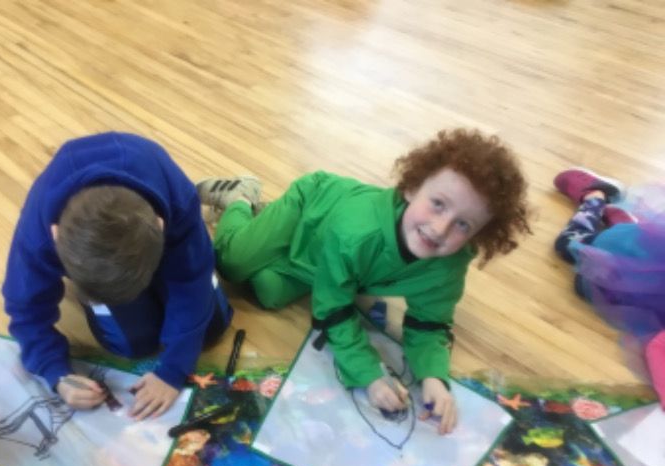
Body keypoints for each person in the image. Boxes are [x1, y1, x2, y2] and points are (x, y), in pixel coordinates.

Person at [203, 129, 530, 434]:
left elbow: (430, 323)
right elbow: (333, 309)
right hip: (311, 208)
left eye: (463, 224)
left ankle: (269, 232)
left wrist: (433, 376)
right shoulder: (357, 232)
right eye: (438, 204)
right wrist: (368, 374)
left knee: (268, 291)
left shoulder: (450, 263)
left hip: (328, 260)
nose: (440, 229)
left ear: (478, 235)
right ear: (412, 187)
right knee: (231, 263)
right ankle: (241, 199)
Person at [2, 132, 235, 420]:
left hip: (163, 229)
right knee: (132, 344)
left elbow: (192, 281)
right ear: (56, 235)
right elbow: (24, 309)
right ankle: (116, 293)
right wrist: (55, 372)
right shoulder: (37, 233)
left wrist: (173, 371)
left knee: (213, 326)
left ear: (160, 226)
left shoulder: (178, 200)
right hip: (118, 253)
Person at [553, 167, 665, 409]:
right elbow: (655, 348)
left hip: (637, 260)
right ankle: (595, 195)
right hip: (619, 257)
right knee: (567, 246)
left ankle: (618, 218)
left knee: (586, 277)